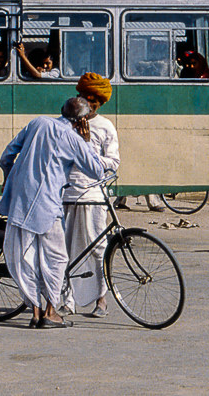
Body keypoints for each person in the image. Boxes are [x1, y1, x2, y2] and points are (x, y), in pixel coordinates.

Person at [0, 97, 104, 329]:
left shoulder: (38, 123)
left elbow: (7, 155)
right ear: (83, 121)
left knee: (28, 257)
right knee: (56, 259)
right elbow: (96, 170)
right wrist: (86, 141)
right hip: (47, 207)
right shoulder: (74, 139)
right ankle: (49, 313)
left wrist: (8, 180)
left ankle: (35, 313)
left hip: (19, 201)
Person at [60, 73, 120, 318]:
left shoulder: (105, 126)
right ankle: (66, 301)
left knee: (97, 249)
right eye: (85, 98)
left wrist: (87, 148)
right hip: (65, 194)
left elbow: (113, 162)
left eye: (93, 102)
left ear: (100, 103)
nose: (88, 104)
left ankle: (101, 300)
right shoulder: (64, 123)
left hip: (94, 196)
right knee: (62, 251)